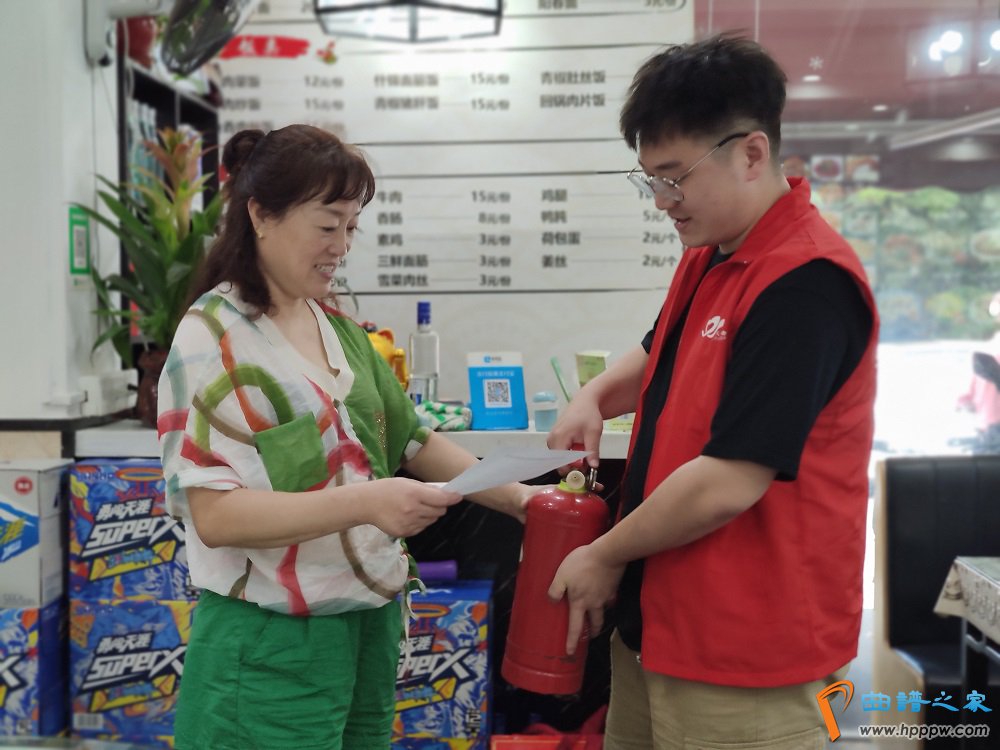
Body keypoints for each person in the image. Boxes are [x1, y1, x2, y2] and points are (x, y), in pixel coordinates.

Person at [545, 34, 878, 749]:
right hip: (662, 624)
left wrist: (604, 555)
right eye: (651, 181)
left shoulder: (805, 285)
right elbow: (657, 353)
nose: (662, 202)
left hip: (747, 646)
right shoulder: (713, 255)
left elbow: (729, 480)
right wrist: (593, 397)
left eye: (675, 178)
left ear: (752, 154)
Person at [157, 124, 534, 750]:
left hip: (367, 623)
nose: (342, 247)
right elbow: (215, 516)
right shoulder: (213, 340)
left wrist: (519, 498)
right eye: (327, 226)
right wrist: (366, 502)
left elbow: (413, 441)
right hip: (270, 639)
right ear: (260, 215)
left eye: (352, 227)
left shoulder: (338, 329)